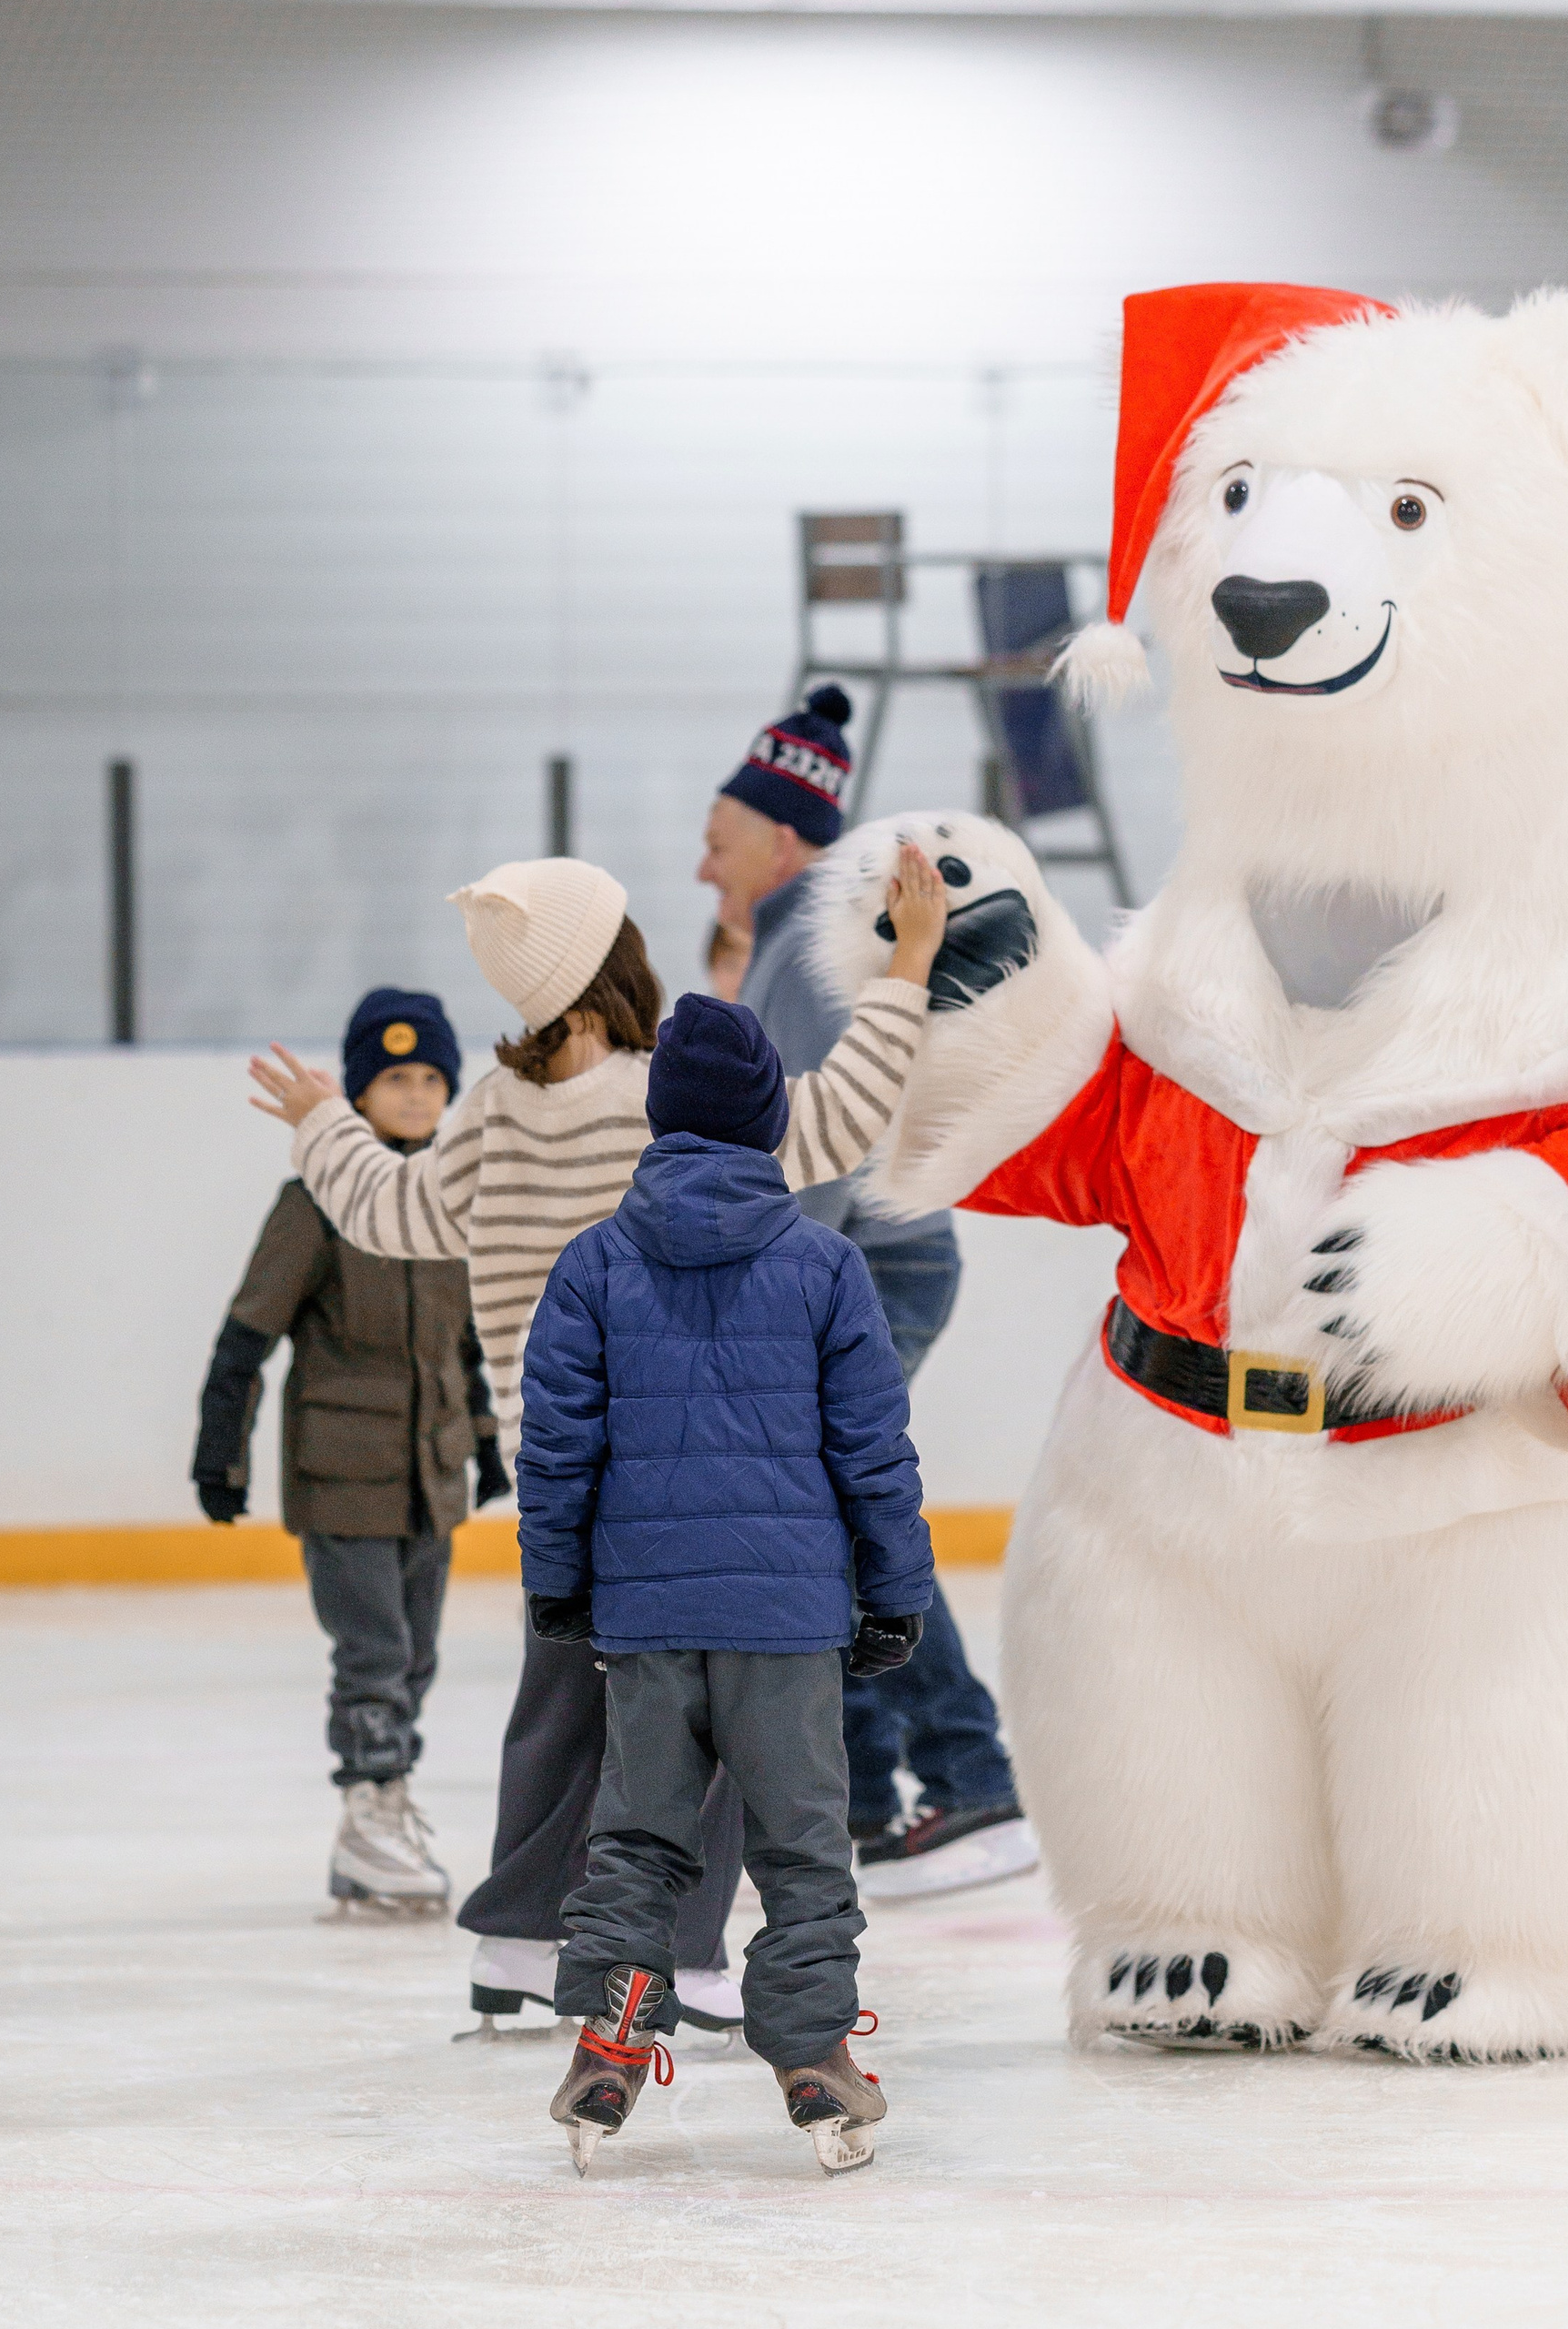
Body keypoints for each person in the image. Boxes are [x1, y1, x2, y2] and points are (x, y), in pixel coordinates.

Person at [244, 846, 947, 2031]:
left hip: (554, 1465)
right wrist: (909, 964)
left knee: (566, 1704)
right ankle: (688, 1951)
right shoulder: (660, 1105)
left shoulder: (493, 1114)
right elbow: (838, 1117)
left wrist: (323, 1123)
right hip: (681, 1473)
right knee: (712, 1715)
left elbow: (393, 1209)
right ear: (613, 964)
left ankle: (520, 1934)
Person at [520, 993, 931, 2179]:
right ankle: (813, 2061)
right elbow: (873, 1450)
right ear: (766, 1122)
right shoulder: (823, 1264)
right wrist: (894, 1590)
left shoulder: (594, 1264)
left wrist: (559, 1586)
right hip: (787, 1622)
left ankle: (610, 2037)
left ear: (661, 1123)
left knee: (638, 1843)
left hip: (647, 1620)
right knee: (801, 1848)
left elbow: (557, 1445)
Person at [701, 685, 1034, 1898]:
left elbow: (819, 1140)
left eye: (719, 838)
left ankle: (965, 1773)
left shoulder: (796, 943)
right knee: (830, 1515)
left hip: (863, 1257)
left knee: (839, 1511)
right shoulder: (798, 934)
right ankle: (881, 1793)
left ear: (783, 841)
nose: (702, 864)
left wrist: (767, 1296)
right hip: (867, 1252)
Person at [194, 987, 506, 1914]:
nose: (414, 1096)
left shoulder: (453, 1197)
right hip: (343, 1474)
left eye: (429, 1078)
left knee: (416, 1655)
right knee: (371, 1652)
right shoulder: (318, 1204)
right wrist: (222, 1451)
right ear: (358, 1094)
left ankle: (383, 1805)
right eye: (393, 1078)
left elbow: (466, 1337)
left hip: (429, 1473)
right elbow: (247, 1334)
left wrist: (484, 1443)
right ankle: (367, 1813)